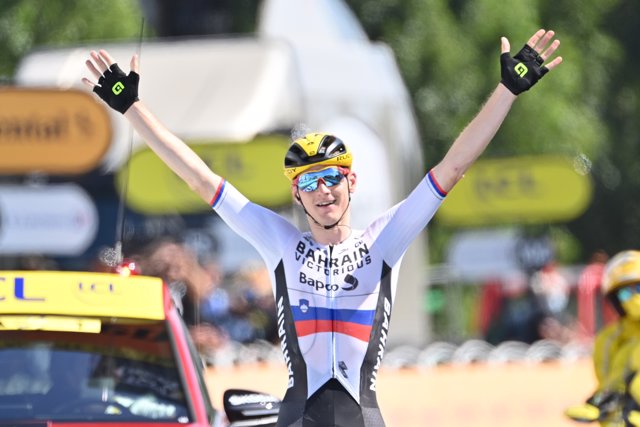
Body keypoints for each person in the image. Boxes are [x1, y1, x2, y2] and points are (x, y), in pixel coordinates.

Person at [83, 28, 562, 427]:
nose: (322, 189)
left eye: (331, 176)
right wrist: (132, 110)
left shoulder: (383, 239)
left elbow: (452, 168)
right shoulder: (280, 242)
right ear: (296, 194)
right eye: (307, 181)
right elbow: (199, 178)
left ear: (350, 181)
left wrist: (506, 92)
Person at [565, 250, 640, 425]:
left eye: (638, 288)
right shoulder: (610, 339)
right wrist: (598, 402)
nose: (634, 298)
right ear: (616, 302)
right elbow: (612, 380)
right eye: (625, 293)